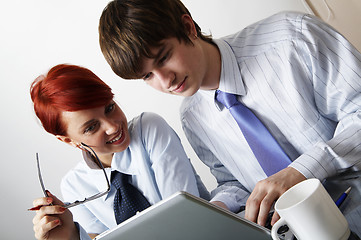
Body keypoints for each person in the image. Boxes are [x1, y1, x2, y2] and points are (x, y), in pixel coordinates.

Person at [98, 0, 361, 228]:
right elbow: (232, 180)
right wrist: (219, 208)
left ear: (188, 28)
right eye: (147, 76)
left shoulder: (292, 38)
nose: (165, 81)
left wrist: (301, 171)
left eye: (164, 57)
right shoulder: (192, 118)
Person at [29, 64, 209, 240]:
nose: (113, 126)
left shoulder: (149, 129)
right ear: (69, 140)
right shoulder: (74, 186)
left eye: (109, 108)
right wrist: (71, 237)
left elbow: (184, 220)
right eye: (91, 127)